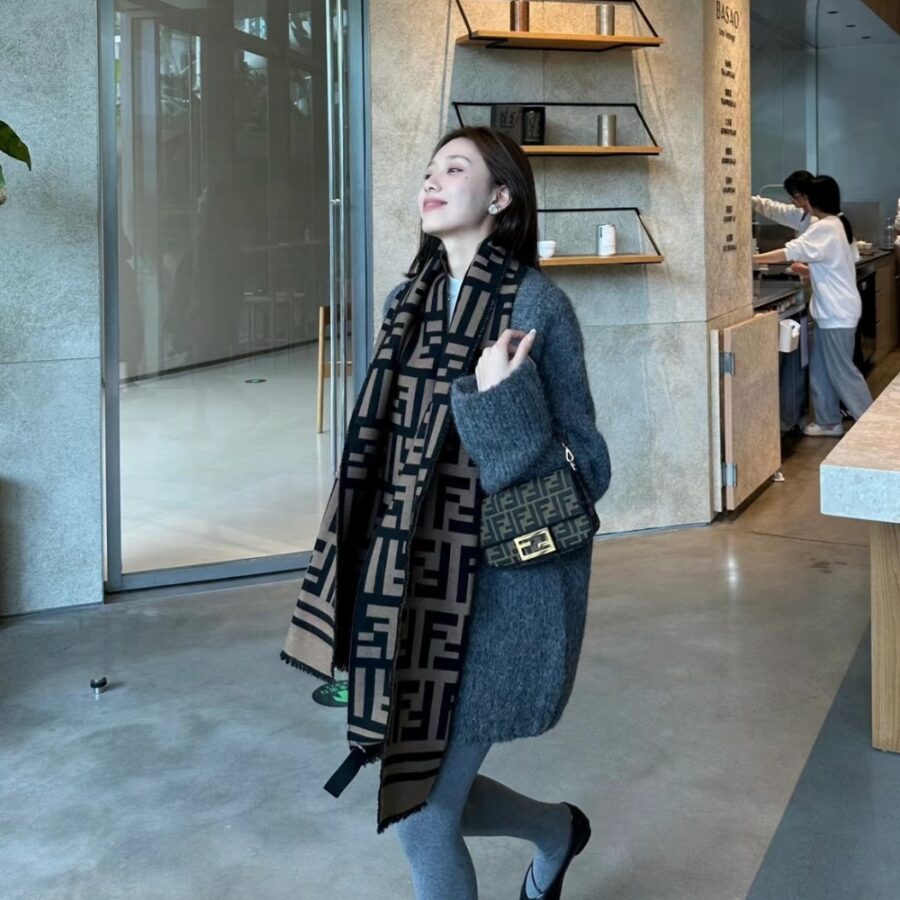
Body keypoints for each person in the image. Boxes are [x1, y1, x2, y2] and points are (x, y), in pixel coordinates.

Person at [281, 126, 611, 900]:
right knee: (425, 796)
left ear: (501, 197)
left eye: (454, 169)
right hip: (407, 595)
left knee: (422, 812)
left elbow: (588, 468)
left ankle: (557, 833)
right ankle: (557, 832)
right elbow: (385, 459)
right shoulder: (406, 305)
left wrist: (502, 401)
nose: (430, 182)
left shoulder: (538, 305)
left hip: (499, 597)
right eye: (428, 170)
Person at [753, 175, 873, 436]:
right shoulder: (838, 223)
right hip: (834, 310)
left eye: (803, 197)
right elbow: (836, 265)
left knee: (842, 371)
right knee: (820, 368)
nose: (800, 202)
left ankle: (872, 425)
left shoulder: (826, 227)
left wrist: (751, 259)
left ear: (814, 200)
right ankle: (828, 421)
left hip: (836, 313)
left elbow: (789, 251)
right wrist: (810, 271)